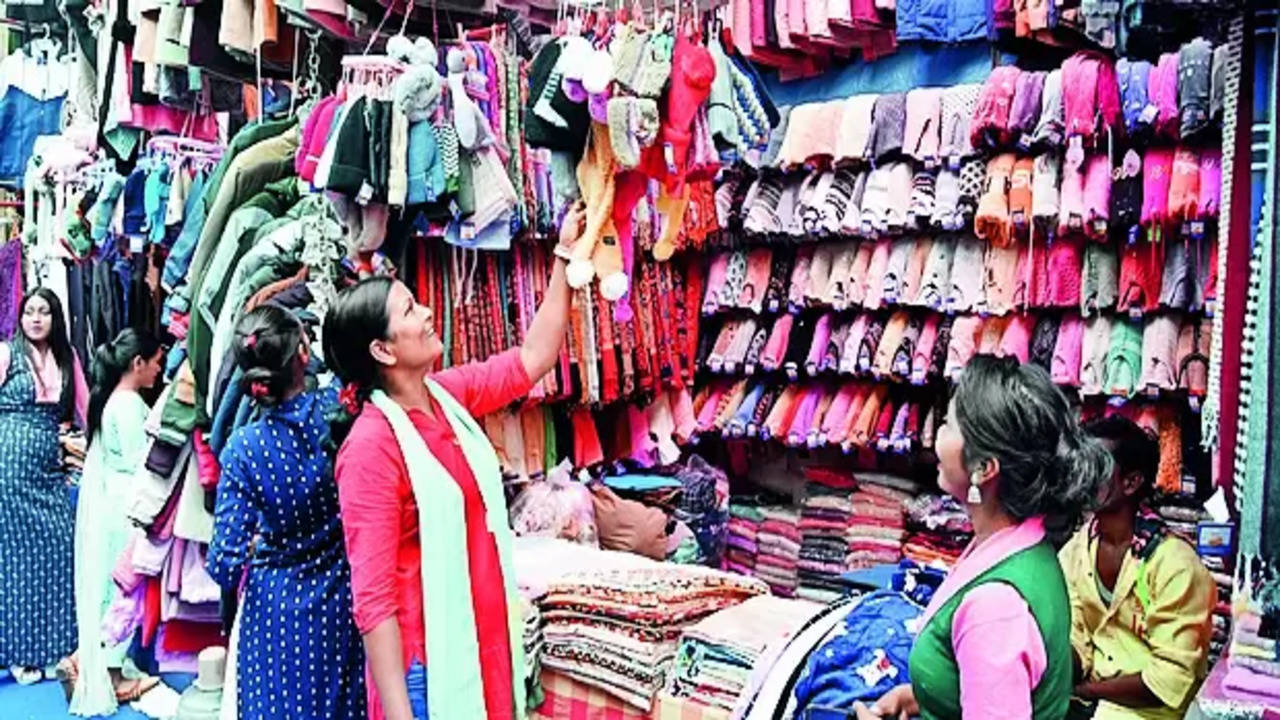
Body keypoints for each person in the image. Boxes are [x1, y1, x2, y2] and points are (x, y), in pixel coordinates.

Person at [326, 202, 585, 720]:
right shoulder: (371, 449)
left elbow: (533, 358)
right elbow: (373, 601)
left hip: (484, 642)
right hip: (427, 668)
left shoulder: (447, 397)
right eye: (410, 310)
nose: (426, 313)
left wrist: (563, 256)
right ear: (382, 350)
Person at [856, 355, 1113, 720]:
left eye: (948, 425)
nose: (937, 436)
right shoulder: (1020, 543)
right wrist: (914, 698)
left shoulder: (995, 605)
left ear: (984, 468)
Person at [206, 306, 368, 719]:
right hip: (340, 599)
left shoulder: (243, 449)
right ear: (302, 353)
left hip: (274, 612)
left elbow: (224, 562)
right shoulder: (340, 412)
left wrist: (263, 545)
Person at [1060, 416, 1216, 720]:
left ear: (1131, 482)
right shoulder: (1076, 551)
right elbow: (1076, 640)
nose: (1083, 477)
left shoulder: (1175, 565)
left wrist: (1086, 691)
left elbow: (1168, 683)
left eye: (1097, 467)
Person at [70, 328, 164, 713]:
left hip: (113, 500)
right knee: (125, 587)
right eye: (157, 361)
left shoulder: (113, 402)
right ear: (137, 363)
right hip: (126, 503)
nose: (160, 369)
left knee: (116, 584)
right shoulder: (128, 406)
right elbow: (137, 460)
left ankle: (87, 658)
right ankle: (108, 669)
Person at [0, 288, 89, 684]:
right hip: (8, 467)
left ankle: (56, 648)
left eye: (45, 312)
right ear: (20, 317)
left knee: (59, 548)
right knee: (17, 559)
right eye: (29, 311)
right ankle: (20, 657)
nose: (36, 319)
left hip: (48, 468)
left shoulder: (67, 359)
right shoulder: (5, 353)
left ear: (56, 317)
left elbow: (86, 408)